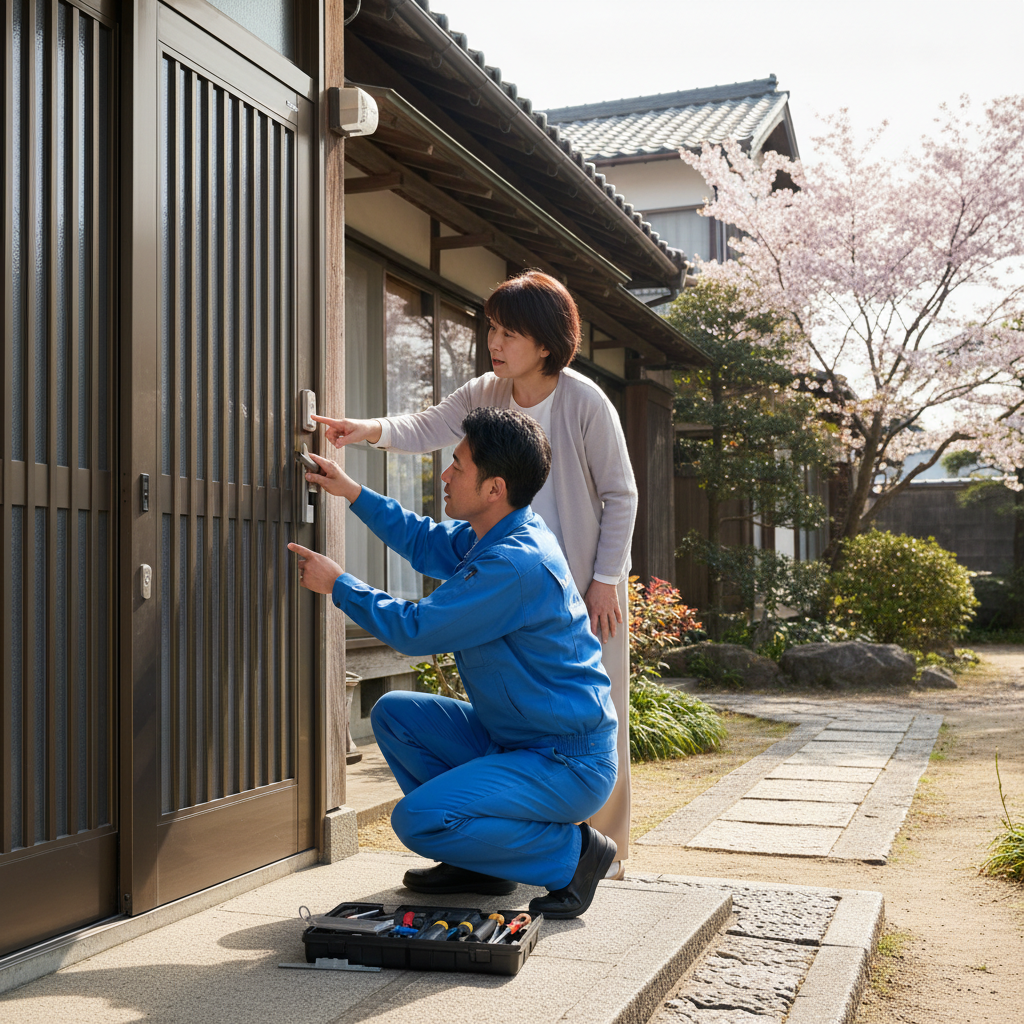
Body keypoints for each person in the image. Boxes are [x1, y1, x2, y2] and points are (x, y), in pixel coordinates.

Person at [313, 270, 636, 878]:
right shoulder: (486, 394)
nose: (495, 341)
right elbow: (430, 434)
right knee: (440, 714)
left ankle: (592, 853)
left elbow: (621, 494)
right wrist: (362, 441)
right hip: (498, 565)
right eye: (492, 328)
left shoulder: (585, 400)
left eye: (509, 332)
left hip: (574, 585)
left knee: (590, 720)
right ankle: (478, 850)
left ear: (545, 343)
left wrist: (605, 579)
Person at [288, 407, 619, 919]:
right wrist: (351, 491)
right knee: (396, 714)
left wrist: (340, 585)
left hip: (565, 761)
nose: (445, 475)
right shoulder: (498, 533)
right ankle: (480, 862)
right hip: (515, 740)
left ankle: (575, 857)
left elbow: (416, 629)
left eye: (458, 466)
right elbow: (423, 542)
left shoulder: (513, 563)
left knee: (418, 820)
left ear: (494, 488)